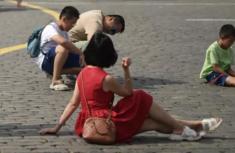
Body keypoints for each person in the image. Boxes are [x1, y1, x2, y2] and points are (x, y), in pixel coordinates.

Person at [40, 32, 218, 142]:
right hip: (108, 124)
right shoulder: (106, 78)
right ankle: (188, 127)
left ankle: (195, 125)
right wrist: (126, 70)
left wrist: (57, 127)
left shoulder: (83, 74)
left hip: (86, 124)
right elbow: (128, 93)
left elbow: (73, 103)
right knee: (140, 96)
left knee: (152, 122)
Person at [36, 6, 85, 91]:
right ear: (64, 19)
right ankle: (55, 81)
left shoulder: (65, 32)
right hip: (45, 61)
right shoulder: (51, 28)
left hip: (58, 59)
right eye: (72, 23)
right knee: (63, 48)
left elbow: (70, 47)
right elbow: (63, 43)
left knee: (85, 67)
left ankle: (54, 72)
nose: (73, 26)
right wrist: (80, 53)